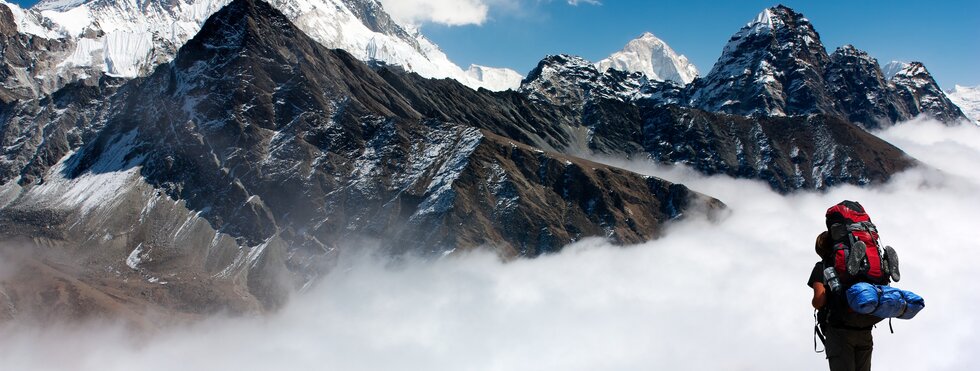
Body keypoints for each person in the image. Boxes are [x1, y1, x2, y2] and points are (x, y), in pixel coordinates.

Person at [808, 231, 880, 371]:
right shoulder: (859, 265)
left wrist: (814, 303)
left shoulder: (821, 266)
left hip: (839, 331)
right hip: (864, 327)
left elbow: (819, 300)